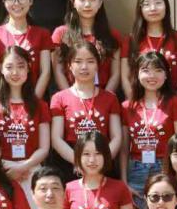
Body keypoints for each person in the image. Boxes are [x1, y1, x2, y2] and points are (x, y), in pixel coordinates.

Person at [121, 51, 177, 209]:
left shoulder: (175, 103)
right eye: (146, 70)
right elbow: (123, 148)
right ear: (137, 74)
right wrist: (124, 182)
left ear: (166, 75)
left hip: (165, 167)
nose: (152, 76)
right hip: (136, 169)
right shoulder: (127, 107)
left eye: (158, 70)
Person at [0, 45, 51, 201]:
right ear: (1, 69)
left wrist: (23, 167)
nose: (15, 72)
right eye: (9, 67)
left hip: (31, 170)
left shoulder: (40, 106)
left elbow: (44, 148)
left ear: (29, 68)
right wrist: (2, 166)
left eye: (20, 66)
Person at [49, 40, 123, 168]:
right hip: (70, 163)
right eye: (78, 62)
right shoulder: (59, 98)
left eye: (90, 61)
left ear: (97, 65)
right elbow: (56, 139)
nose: (84, 67)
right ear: (70, 66)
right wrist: (79, 162)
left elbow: (117, 137)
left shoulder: (110, 98)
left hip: (101, 161)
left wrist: (101, 162)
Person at [52, 0, 123, 94]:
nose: (87, 4)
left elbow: (115, 74)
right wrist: (71, 98)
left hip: (104, 97)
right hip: (71, 96)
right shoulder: (61, 34)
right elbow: (58, 71)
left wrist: (105, 98)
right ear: (73, 2)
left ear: (100, 3)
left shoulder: (112, 35)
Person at [120, 0, 177, 98]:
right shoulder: (130, 40)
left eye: (158, 3)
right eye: (147, 4)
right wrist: (134, 103)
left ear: (166, 6)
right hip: (139, 103)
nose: (153, 8)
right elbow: (125, 77)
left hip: (172, 102)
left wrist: (176, 103)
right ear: (140, 9)